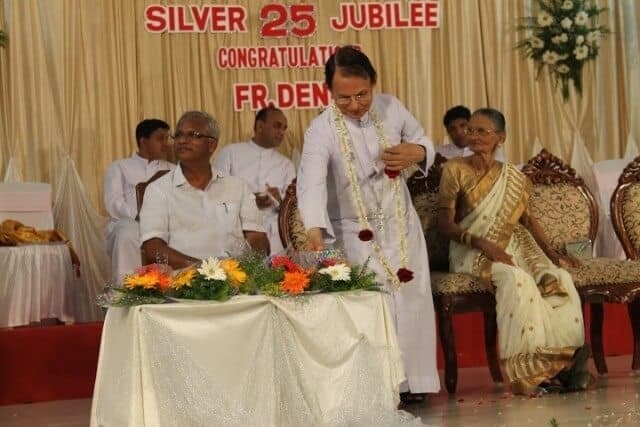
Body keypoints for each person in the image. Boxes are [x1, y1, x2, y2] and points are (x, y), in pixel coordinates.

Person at [296, 45, 440, 401]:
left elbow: (423, 138)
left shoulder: (391, 107)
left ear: (374, 83)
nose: (356, 104)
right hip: (355, 232)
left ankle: (416, 383)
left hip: (400, 223)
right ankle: (384, 385)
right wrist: (314, 228)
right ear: (328, 91)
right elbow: (310, 180)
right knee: (374, 305)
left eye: (362, 94)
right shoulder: (321, 129)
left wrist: (418, 152)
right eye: (343, 98)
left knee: (412, 299)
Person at [437, 108, 592, 395]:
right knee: (516, 279)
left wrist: (553, 254)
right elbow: (444, 223)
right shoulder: (454, 169)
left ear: (500, 137)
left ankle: (562, 365)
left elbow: (528, 221)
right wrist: (482, 243)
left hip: (513, 247)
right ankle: (529, 374)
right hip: (470, 251)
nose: (473, 135)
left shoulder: (514, 177)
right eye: (470, 129)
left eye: (482, 131)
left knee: (559, 278)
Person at [139, 111, 269, 269]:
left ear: (212, 145)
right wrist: (205, 270)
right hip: (185, 282)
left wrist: (241, 269)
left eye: (192, 135)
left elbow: (257, 238)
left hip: (236, 279)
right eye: (178, 135)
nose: (182, 140)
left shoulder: (237, 186)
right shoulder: (158, 190)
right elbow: (153, 248)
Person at [214, 106, 296, 254]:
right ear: (259, 126)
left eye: (284, 128)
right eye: (277, 126)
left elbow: (293, 208)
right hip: (237, 232)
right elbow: (215, 192)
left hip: (275, 238)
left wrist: (279, 200)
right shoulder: (231, 152)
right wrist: (250, 201)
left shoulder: (286, 164)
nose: (282, 132)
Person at [104, 119, 174, 281]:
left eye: (167, 138)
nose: (165, 144)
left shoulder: (173, 170)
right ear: (143, 141)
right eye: (160, 138)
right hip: (129, 221)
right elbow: (113, 202)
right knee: (127, 232)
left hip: (165, 224)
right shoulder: (119, 167)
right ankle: (127, 291)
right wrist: (140, 216)